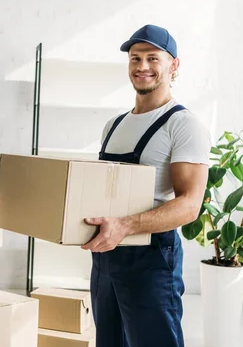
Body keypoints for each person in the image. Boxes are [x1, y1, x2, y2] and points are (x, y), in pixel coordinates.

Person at [81, 24, 211, 347]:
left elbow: (190, 204)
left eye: (153, 58)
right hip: (106, 259)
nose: (142, 67)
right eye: (135, 58)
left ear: (174, 65)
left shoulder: (184, 125)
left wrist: (126, 225)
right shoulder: (113, 125)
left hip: (151, 260)